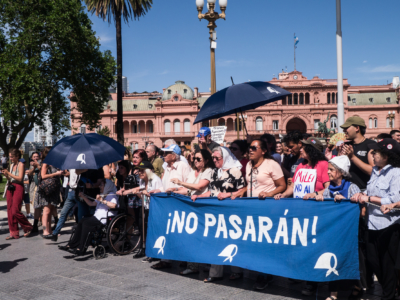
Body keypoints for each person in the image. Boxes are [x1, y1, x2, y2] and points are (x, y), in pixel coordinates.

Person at [351, 138, 400, 300]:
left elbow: (394, 198)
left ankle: (388, 295)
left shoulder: (396, 173)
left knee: (388, 265)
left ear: (387, 156)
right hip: (371, 224)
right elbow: (370, 192)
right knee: (373, 261)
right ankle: (390, 290)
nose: (373, 153)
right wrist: (362, 195)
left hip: (389, 225)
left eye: (377, 152)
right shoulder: (374, 170)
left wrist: (370, 198)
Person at [192, 147, 246, 283]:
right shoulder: (215, 172)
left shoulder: (235, 171)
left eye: (217, 158)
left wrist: (228, 194)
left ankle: (237, 271)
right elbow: (211, 191)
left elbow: (243, 189)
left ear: (225, 158)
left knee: (232, 240)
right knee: (215, 240)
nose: (214, 160)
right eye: (213, 158)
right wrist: (198, 197)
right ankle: (215, 272)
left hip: (232, 212)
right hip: (216, 212)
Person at [311, 155, 361, 300]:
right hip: (332, 234)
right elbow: (324, 212)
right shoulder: (328, 190)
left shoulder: (352, 187)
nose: (328, 172)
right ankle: (333, 294)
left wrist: (346, 201)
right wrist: (320, 201)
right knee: (333, 260)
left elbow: (360, 211)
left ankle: (357, 286)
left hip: (348, 234)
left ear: (341, 171)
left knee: (345, 260)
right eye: (328, 169)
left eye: (331, 170)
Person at [243, 139, 286, 290]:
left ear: (263, 150)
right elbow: (249, 184)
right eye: (249, 147)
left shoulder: (271, 164)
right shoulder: (249, 164)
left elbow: (282, 185)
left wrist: (268, 194)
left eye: (254, 148)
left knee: (265, 243)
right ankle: (259, 271)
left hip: (268, 210)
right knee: (255, 243)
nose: (250, 150)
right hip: (251, 210)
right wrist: (238, 193)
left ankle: (265, 275)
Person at [166, 149, 215, 275]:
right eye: (195, 159)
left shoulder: (208, 171)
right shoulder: (193, 172)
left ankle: (204, 264)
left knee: (203, 238)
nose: (196, 161)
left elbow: (199, 187)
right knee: (192, 236)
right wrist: (174, 190)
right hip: (191, 207)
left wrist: (180, 182)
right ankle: (193, 265)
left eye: (199, 159)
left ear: (206, 160)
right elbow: (187, 190)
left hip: (203, 207)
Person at [151, 144, 191, 270]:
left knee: (180, 231)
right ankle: (165, 259)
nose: (163, 155)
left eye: (166, 153)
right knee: (166, 230)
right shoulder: (166, 167)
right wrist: (156, 190)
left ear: (174, 155)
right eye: (163, 153)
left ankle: (184, 258)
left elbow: (189, 185)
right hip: (167, 204)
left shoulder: (183, 166)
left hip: (180, 204)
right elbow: (164, 185)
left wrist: (175, 189)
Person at [59, 179, 118, 256]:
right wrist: (83, 197)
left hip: (104, 219)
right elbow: (92, 204)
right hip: (97, 217)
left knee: (86, 224)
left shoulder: (112, 195)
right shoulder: (103, 194)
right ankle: (71, 245)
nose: (99, 186)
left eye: (101, 185)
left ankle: (81, 248)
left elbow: (114, 205)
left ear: (107, 186)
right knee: (81, 221)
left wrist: (102, 201)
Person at [134, 161, 164, 262]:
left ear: (149, 171)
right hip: (146, 206)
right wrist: (139, 193)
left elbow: (160, 193)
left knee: (152, 229)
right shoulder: (142, 181)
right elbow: (143, 195)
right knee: (143, 228)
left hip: (154, 209)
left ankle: (153, 252)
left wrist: (148, 193)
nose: (140, 172)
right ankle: (144, 248)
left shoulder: (156, 180)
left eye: (142, 170)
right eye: (139, 170)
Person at [1, 149, 33, 239]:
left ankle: (28, 227)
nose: (10, 158)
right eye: (10, 156)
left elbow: (20, 178)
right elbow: (9, 179)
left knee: (15, 210)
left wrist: (9, 174)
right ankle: (14, 232)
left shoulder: (21, 165)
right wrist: (7, 175)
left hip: (18, 187)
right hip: (11, 187)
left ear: (17, 156)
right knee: (10, 210)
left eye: (11, 156)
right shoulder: (11, 165)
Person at [340, 116, 375, 192]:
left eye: (347, 128)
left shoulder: (371, 145)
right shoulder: (346, 145)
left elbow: (373, 171)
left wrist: (352, 157)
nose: (344, 130)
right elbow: (338, 170)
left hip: (364, 191)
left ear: (357, 128)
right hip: (346, 190)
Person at [34, 147, 63, 238]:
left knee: (50, 210)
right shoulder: (46, 163)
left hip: (53, 189)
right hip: (47, 190)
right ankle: (45, 231)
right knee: (46, 210)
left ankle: (49, 230)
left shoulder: (54, 163)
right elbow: (43, 176)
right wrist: (56, 174)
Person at [49, 169, 80, 241]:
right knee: (63, 213)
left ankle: (82, 237)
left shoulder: (81, 165)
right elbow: (68, 174)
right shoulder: (71, 165)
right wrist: (63, 173)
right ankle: (55, 234)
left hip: (79, 191)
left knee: (79, 215)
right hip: (71, 191)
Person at [28, 152, 42, 233]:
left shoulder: (42, 163)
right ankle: (38, 220)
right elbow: (29, 174)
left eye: (37, 156)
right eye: (34, 157)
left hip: (41, 185)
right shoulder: (31, 165)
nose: (36, 158)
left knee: (40, 205)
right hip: (33, 186)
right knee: (34, 204)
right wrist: (33, 168)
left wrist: (37, 166)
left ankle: (40, 220)